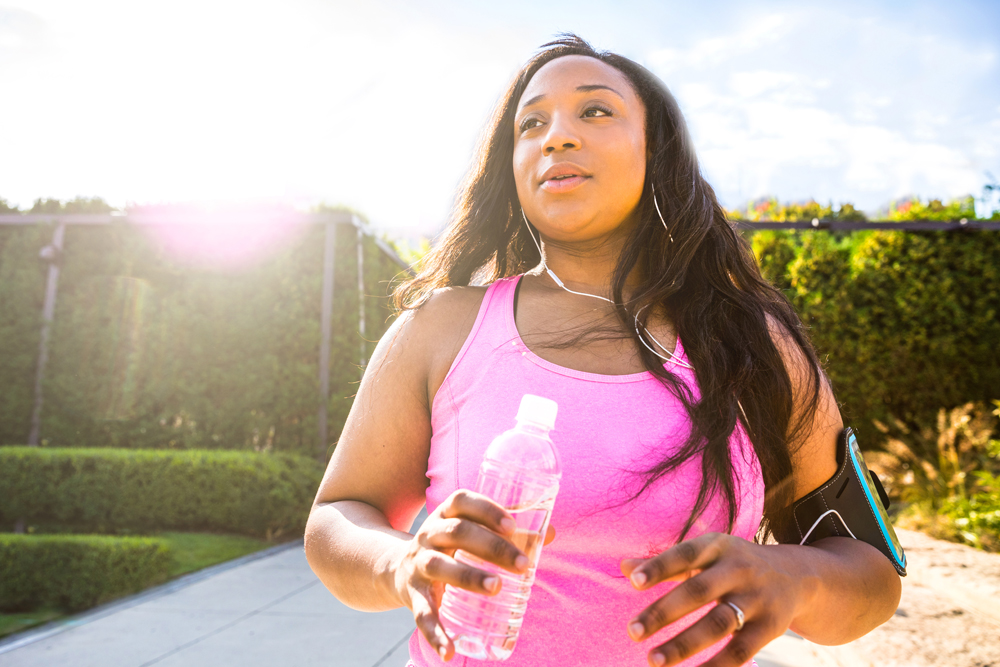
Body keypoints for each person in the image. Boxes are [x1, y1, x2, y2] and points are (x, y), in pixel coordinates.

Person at [304, 35, 901, 667]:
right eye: (530, 123)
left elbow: (872, 574)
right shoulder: (442, 329)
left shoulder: (751, 344)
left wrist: (795, 577)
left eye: (594, 111)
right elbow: (337, 517)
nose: (555, 136)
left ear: (657, 151)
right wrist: (401, 561)